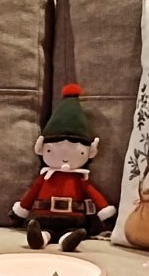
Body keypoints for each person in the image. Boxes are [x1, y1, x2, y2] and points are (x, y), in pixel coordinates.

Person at [11, 85, 117, 251]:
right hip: (44, 219)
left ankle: (68, 239)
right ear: (42, 149)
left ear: (89, 152)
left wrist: (105, 212)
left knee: (71, 232)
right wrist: (20, 212)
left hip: (73, 220)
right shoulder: (45, 178)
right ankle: (40, 238)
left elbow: (94, 194)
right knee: (45, 231)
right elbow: (31, 193)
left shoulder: (80, 180)